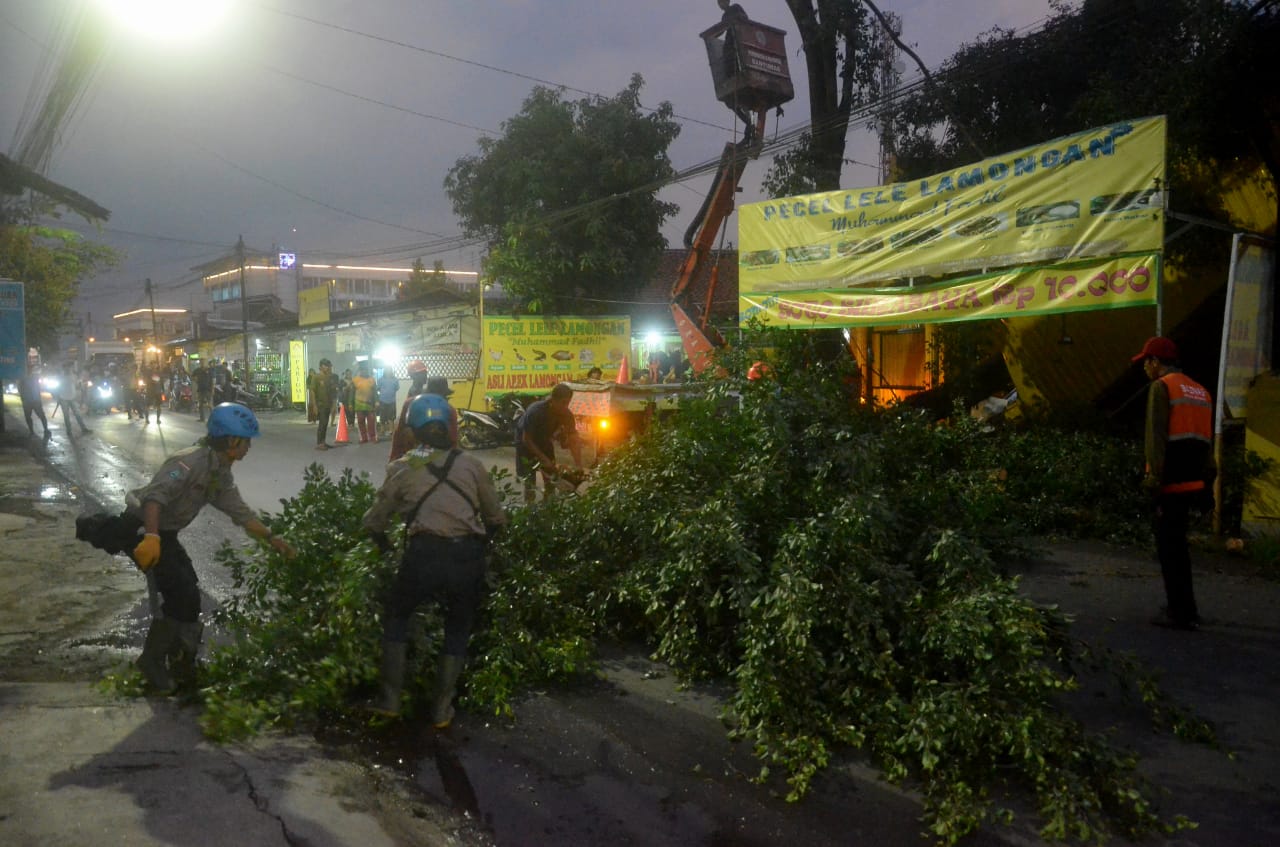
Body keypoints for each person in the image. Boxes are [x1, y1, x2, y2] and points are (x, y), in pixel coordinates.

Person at [127, 403, 296, 692]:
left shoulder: (219, 472)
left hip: (165, 535)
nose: (249, 448)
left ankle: (182, 663)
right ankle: (151, 662)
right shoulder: (188, 463)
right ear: (232, 441)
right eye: (247, 441)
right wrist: (151, 538)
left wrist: (272, 538)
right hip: (143, 531)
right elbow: (154, 499)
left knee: (189, 594)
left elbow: (239, 511)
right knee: (179, 594)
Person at [362, 393, 506, 725]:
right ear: (448, 427)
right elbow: (496, 520)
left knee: (397, 617)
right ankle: (442, 709)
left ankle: (389, 701)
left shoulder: (404, 467)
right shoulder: (471, 464)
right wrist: (483, 553)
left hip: (422, 557)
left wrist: (386, 550)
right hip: (467, 557)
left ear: (413, 431)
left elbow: (374, 522)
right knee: (458, 625)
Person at [1132, 336, 1214, 631]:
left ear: (1156, 362)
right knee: (1180, 548)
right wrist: (1208, 484)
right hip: (1193, 482)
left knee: (1169, 550)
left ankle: (1179, 612)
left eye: (1145, 362)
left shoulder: (1161, 387)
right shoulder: (1201, 391)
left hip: (1170, 483)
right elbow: (1208, 442)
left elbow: (1156, 437)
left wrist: (1152, 479)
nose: (1144, 369)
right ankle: (1187, 608)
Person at [515, 382, 584, 505]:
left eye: (568, 403)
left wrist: (578, 465)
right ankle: (529, 508)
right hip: (525, 443)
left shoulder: (566, 415)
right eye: (563, 403)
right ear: (553, 400)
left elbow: (574, 439)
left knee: (551, 479)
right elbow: (527, 439)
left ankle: (548, 507)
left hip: (544, 441)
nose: (566, 406)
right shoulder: (535, 411)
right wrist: (543, 459)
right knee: (530, 481)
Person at [51, 363, 91, 436]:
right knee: (67, 416)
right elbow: (56, 389)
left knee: (77, 415)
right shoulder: (60, 377)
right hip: (63, 398)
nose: (69, 369)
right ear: (65, 369)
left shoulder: (73, 376)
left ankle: (83, 428)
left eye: (70, 368)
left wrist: (80, 384)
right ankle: (69, 431)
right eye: (68, 368)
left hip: (72, 398)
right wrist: (57, 397)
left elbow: (76, 386)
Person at [309, 359, 339, 450]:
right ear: (321, 366)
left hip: (328, 404)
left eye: (329, 366)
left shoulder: (329, 378)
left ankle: (323, 442)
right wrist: (314, 405)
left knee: (325, 423)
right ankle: (319, 443)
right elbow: (312, 391)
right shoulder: (316, 377)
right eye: (326, 366)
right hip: (320, 404)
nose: (328, 368)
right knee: (322, 424)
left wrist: (334, 405)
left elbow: (333, 392)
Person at [18, 367, 49, 438]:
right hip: (30, 400)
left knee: (40, 416)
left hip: (34, 400)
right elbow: (20, 389)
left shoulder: (34, 377)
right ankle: (33, 431)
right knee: (32, 416)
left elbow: (38, 388)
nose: (29, 371)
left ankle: (44, 430)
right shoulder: (23, 378)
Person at [352, 361, 378, 444]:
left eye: (366, 370)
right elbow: (352, 393)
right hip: (359, 405)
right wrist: (350, 403)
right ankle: (363, 438)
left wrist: (377, 401)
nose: (364, 371)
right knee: (361, 422)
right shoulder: (355, 380)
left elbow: (375, 392)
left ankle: (373, 437)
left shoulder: (372, 380)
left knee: (371, 422)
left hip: (370, 405)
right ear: (360, 371)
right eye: (362, 370)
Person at [376, 366, 399, 437]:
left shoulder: (395, 380)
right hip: (382, 400)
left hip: (392, 401)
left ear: (391, 371)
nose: (388, 371)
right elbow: (378, 388)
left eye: (389, 370)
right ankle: (382, 431)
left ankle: (391, 431)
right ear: (384, 371)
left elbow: (396, 388)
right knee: (382, 416)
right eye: (387, 370)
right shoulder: (380, 380)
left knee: (391, 417)